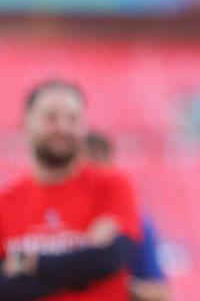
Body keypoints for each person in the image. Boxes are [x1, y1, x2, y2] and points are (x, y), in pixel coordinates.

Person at [0, 79, 142, 300]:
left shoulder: (113, 185)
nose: (63, 127)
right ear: (25, 123)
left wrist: (30, 262)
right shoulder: (6, 202)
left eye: (73, 118)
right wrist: (85, 263)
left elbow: (111, 259)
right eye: (51, 117)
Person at [83, 132, 170, 301]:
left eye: (98, 167)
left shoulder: (135, 221)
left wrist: (118, 286)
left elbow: (160, 292)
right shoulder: (55, 216)